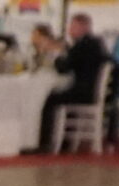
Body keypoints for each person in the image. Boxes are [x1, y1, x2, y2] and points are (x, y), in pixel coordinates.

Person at [36, 13, 110, 152]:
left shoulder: (83, 44)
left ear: (84, 27)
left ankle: (45, 141)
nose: (69, 29)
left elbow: (64, 68)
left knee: (50, 98)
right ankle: (65, 140)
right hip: (91, 91)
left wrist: (55, 56)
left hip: (84, 92)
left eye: (73, 26)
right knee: (59, 94)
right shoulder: (96, 43)